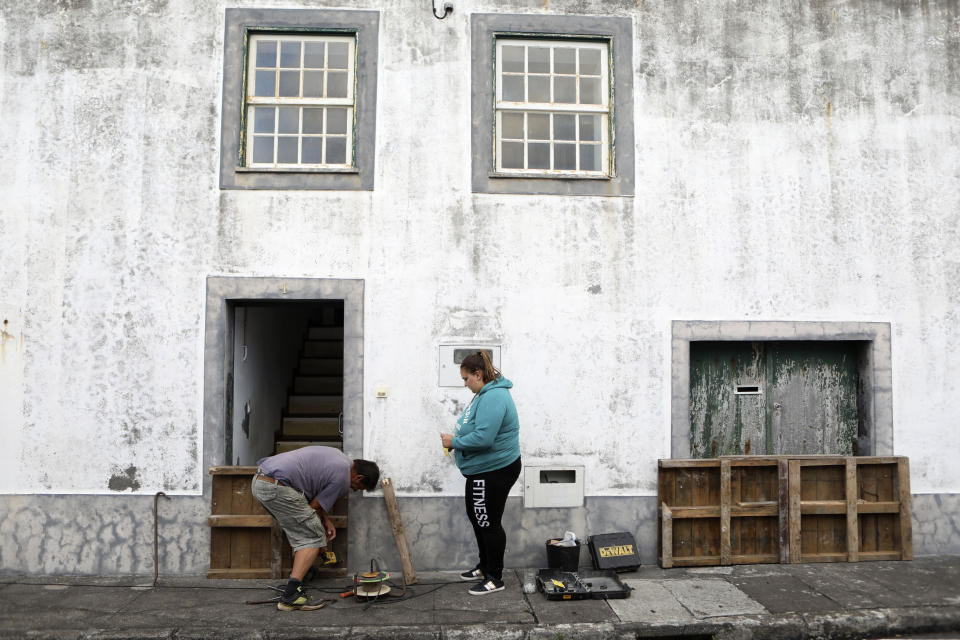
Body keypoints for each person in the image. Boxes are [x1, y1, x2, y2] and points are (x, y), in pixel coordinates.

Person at [251, 446, 380, 610]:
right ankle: (291, 596)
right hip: (276, 487)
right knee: (311, 537)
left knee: (302, 532)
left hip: (262, 482)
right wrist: (320, 542)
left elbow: (312, 500)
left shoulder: (339, 458)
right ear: (358, 477)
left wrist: (326, 520)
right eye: (358, 487)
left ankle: (300, 579)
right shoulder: (342, 478)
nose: (354, 489)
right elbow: (313, 507)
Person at [440, 351, 521, 595]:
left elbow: (485, 438)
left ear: (478, 374)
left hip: (494, 470)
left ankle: (495, 577)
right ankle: (485, 566)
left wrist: (454, 441)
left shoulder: (494, 396)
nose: (464, 384)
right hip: (482, 470)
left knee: (488, 522)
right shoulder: (485, 393)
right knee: (478, 518)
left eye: (466, 378)